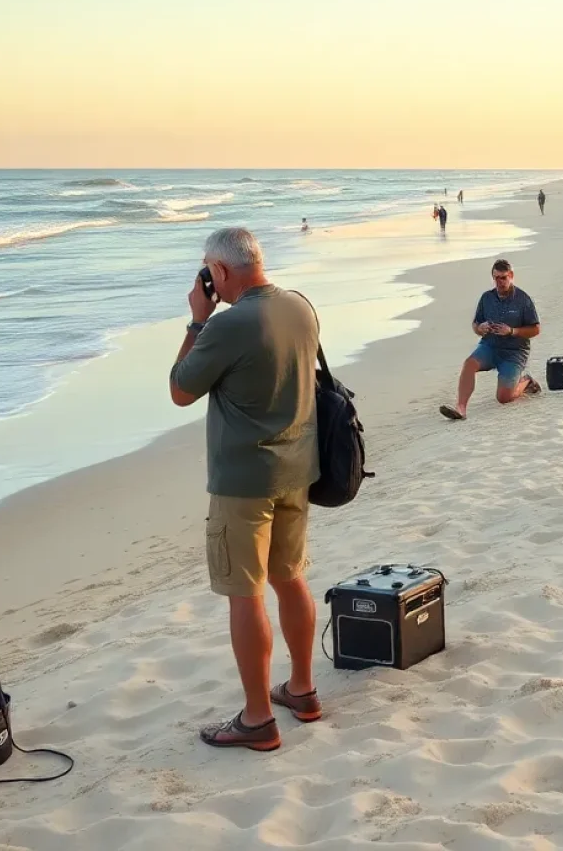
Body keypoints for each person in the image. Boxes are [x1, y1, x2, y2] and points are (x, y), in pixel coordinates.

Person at [170, 228, 321, 751]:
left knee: (246, 593)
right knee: (291, 578)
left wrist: (196, 319)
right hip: (297, 469)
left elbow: (180, 390)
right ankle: (302, 688)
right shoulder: (300, 307)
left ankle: (257, 718)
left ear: (219, 272)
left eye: (206, 270)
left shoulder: (227, 326)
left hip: (243, 482)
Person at [439, 259, 541, 421]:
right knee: (469, 364)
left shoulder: (523, 299)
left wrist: (512, 331)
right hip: (490, 346)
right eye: (496, 278)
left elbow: (536, 329)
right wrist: (481, 328)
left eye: (503, 278)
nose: (500, 282)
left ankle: (526, 382)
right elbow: (475, 324)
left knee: (504, 398)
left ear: (511, 276)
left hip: (514, 353)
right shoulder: (487, 298)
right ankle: (461, 409)